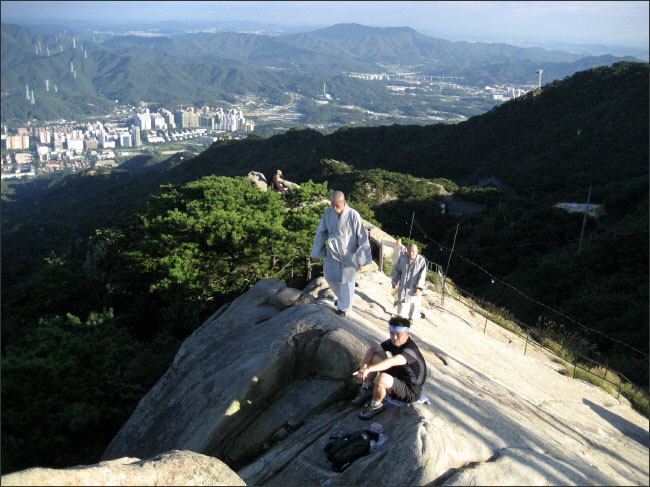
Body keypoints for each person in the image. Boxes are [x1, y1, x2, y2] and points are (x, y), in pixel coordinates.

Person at [351, 316, 427, 420]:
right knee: (374, 358)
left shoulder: (410, 350)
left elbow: (390, 362)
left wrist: (368, 369)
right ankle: (366, 389)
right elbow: (373, 350)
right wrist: (363, 367)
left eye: (398, 335)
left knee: (381, 378)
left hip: (410, 390)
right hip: (399, 375)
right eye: (392, 334)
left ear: (408, 334)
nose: (394, 337)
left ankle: (375, 406)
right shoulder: (393, 342)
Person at [311, 191, 372, 317]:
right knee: (330, 276)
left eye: (337, 205)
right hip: (333, 252)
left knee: (347, 281)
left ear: (344, 202)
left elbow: (362, 237)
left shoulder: (353, 215)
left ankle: (343, 308)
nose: (334, 208)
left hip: (349, 254)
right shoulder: (328, 213)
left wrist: (361, 259)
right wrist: (316, 253)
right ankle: (341, 299)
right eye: (332, 205)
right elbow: (321, 233)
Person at [392, 243, 427, 323]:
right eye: (409, 251)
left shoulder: (421, 261)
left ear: (417, 251)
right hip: (403, 287)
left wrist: (418, 287)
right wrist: (394, 281)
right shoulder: (403, 258)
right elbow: (397, 270)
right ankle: (402, 319)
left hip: (414, 287)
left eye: (413, 251)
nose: (411, 253)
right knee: (402, 312)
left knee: (413, 311)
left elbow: (422, 276)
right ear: (407, 251)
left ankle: (414, 317)